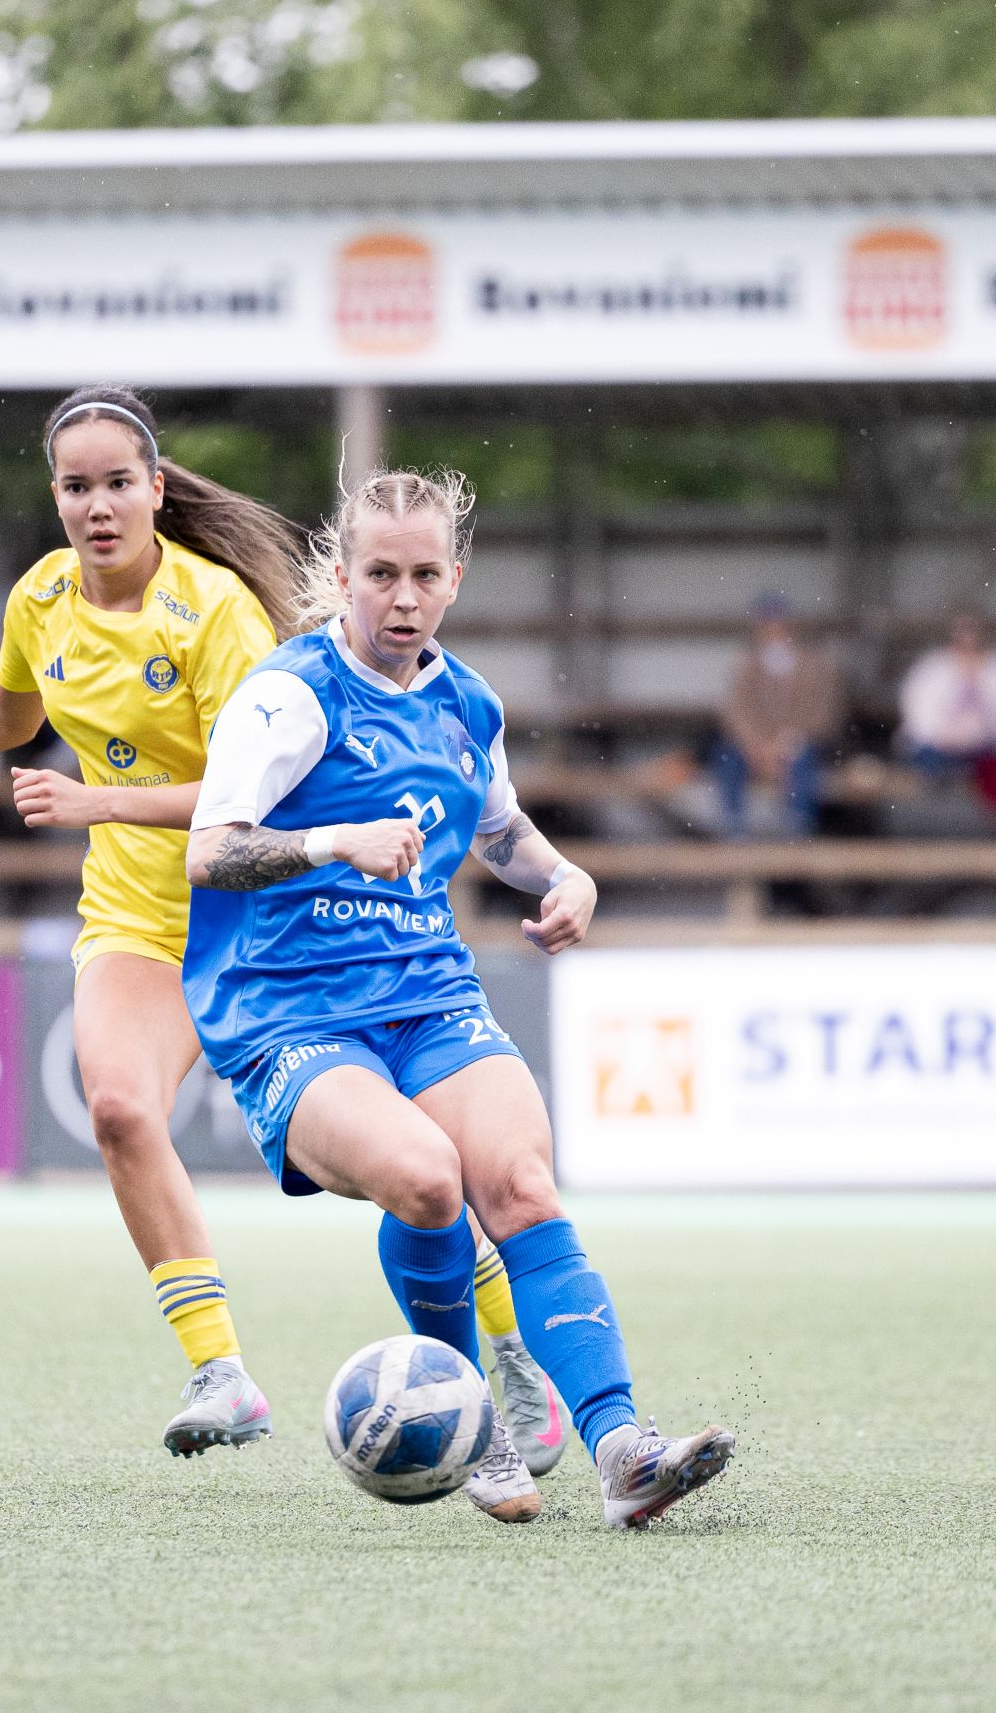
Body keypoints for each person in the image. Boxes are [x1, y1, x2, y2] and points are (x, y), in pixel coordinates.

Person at [0, 387, 564, 1467]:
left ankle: (506, 1349)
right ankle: (219, 1369)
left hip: (264, 923)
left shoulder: (215, 612)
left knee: (418, 1173)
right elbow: (8, 716)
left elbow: (250, 806)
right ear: (55, 496)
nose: (98, 505)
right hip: (137, 919)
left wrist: (98, 801)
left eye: (119, 483)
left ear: (156, 488)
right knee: (120, 1108)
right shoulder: (41, 598)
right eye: (76, 486)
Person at [182, 464, 734, 1529]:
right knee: (429, 1180)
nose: (402, 598)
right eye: (380, 574)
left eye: (424, 576)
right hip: (288, 1011)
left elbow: (500, 829)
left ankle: (622, 1449)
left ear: (454, 579)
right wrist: (331, 842)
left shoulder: (465, 703)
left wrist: (564, 875)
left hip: (428, 993)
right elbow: (210, 852)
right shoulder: (288, 695)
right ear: (341, 578)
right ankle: (475, 1426)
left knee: (520, 1183)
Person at [711, 591, 841, 836]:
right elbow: (736, 709)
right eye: (766, 622)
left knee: (805, 759)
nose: (773, 629)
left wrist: (790, 739)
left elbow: (825, 710)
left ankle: (799, 826)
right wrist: (756, 743)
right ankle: (733, 826)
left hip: (801, 740)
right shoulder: (746, 663)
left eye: (778, 622)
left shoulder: (816, 663)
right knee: (728, 755)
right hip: (755, 744)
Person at [898, 613, 996, 816]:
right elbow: (917, 716)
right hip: (938, 748)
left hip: (987, 750)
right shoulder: (932, 670)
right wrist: (945, 737)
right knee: (932, 767)